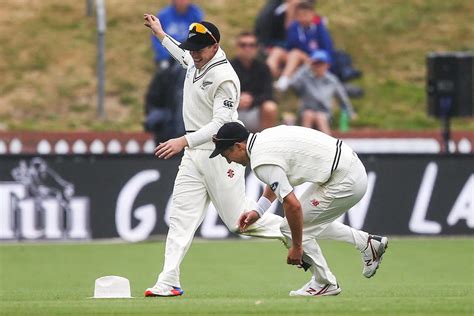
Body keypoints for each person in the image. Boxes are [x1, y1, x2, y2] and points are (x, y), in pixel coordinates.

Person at [143, 14, 285, 297]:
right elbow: (181, 55)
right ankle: (168, 280)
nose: (193, 53)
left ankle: (301, 227)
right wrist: (160, 34)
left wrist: (182, 140)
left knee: (240, 223)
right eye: (192, 48)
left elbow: (220, 125)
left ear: (215, 45)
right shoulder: (195, 61)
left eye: (199, 48)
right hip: (194, 156)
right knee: (181, 219)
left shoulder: (225, 77)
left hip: (222, 154)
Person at [210, 122, 389, 297]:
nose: (228, 161)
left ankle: (324, 283)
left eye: (226, 154)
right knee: (306, 223)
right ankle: (367, 243)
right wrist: (258, 211)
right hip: (347, 168)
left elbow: (293, 206)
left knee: (288, 227)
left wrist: (297, 247)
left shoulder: (260, 161)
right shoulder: (264, 138)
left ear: (238, 146)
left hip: (345, 180)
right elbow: (277, 179)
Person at [286, 49, 356, 135]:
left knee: (320, 117)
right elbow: (292, 84)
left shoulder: (332, 80)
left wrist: (350, 112)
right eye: (315, 63)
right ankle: (304, 143)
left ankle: (328, 145)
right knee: (309, 115)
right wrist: (305, 67)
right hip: (306, 111)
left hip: (325, 113)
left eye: (321, 63)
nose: (318, 66)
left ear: (327, 65)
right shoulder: (305, 78)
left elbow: (342, 97)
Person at [274, 1, 334, 90]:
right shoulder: (294, 27)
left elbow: (327, 50)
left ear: (312, 14)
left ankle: (283, 82)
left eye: (305, 14)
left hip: (313, 61)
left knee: (296, 53)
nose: (302, 18)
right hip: (294, 59)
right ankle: (269, 74)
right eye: (299, 15)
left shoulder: (319, 28)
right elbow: (289, 45)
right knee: (277, 51)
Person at [230, 32, 278, 132]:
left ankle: (267, 143)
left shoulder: (263, 68)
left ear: (257, 48)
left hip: (256, 110)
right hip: (232, 110)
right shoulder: (228, 67)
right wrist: (237, 100)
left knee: (270, 107)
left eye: (252, 45)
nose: (248, 48)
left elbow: (269, 93)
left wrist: (252, 100)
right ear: (237, 47)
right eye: (243, 45)